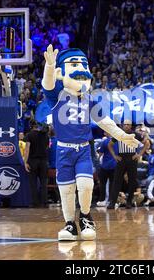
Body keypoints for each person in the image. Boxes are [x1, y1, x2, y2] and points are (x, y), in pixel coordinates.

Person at [41, 45, 139, 241]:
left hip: (84, 149)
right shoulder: (57, 96)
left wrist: (122, 136)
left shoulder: (89, 101)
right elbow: (48, 84)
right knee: (66, 190)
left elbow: (106, 122)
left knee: (85, 185)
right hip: (63, 151)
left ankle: (86, 218)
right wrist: (50, 67)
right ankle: (69, 224)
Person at [108, 119, 149, 209]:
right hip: (121, 158)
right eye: (125, 124)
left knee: (132, 180)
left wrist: (139, 154)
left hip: (132, 158)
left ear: (131, 126)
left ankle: (129, 202)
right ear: (122, 125)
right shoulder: (118, 134)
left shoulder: (136, 135)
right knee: (117, 180)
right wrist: (114, 156)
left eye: (128, 124)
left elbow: (147, 143)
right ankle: (112, 202)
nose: (126, 126)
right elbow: (110, 145)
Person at [24, 120, 50, 208]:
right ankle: (45, 202)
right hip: (43, 161)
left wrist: (25, 162)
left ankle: (35, 202)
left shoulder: (29, 135)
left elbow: (27, 148)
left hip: (33, 161)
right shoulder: (45, 135)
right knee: (44, 183)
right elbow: (47, 147)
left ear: (30, 126)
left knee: (33, 183)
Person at [96, 132, 117, 207]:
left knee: (102, 184)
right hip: (115, 165)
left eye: (105, 132)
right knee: (113, 184)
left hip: (105, 166)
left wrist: (97, 161)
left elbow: (100, 153)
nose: (104, 133)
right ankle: (111, 201)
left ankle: (102, 200)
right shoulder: (118, 141)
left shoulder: (105, 141)